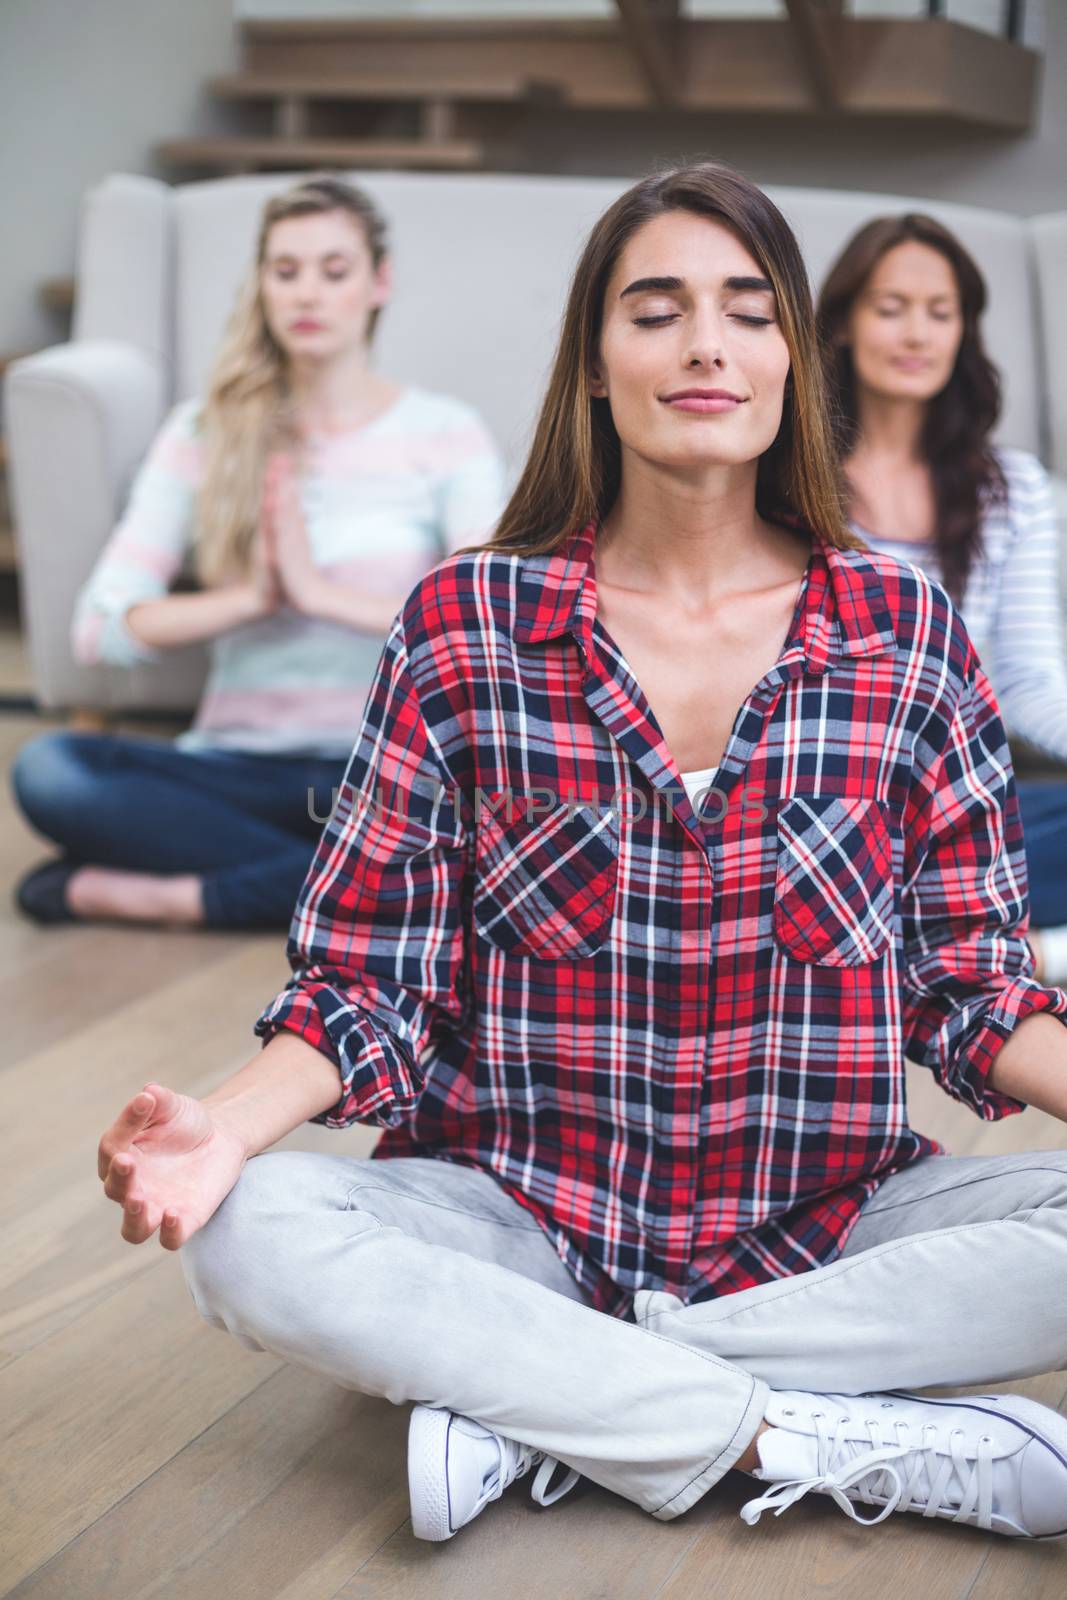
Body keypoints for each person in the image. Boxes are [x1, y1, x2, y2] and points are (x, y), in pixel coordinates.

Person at [97, 161, 1067, 1545]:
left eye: (745, 309)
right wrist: (222, 1132)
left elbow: (968, 982)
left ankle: (535, 1402)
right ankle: (807, 1434)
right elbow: (368, 985)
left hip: (826, 1222)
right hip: (515, 1219)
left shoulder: (902, 629)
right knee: (252, 1233)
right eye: (652, 309)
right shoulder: (463, 622)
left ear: (793, 356)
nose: (701, 345)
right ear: (593, 367)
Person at [11, 174, 505, 930]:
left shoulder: (446, 432)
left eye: (333, 271)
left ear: (379, 282)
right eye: (285, 271)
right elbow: (100, 627)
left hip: (380, 773)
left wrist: (318, 595)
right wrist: (251, 599)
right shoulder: (204, 431)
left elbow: (486, 629)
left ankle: (181, 896)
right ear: (262, 286)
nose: (307, 293)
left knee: (510, 820)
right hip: (232, 765)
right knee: (53, 772)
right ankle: (356, 889)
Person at [816, 211, 1067, 988]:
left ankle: (970, 951)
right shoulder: (787, 476)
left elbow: (1026, 681)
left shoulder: (1011, 487)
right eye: (889, 308)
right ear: (846, 323)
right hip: (821, 802)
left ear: (964, 329)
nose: (915, 332)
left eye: (939, 311)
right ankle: (993, 952)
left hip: (962, 802)